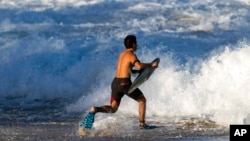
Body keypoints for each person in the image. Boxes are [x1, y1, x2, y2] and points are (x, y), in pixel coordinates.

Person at [79, 35, 158, 132]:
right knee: (142, 100)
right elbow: (139, 66)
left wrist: (137, 73)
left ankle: (95, 109)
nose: (137, 45)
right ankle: (142, 124)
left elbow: (128, 69)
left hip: (115, 82)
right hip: (124, 83)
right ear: (133, 44)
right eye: (136, 43)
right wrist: (151, 64)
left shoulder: (122, 54)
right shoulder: (132, 55)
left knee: (113, 108)